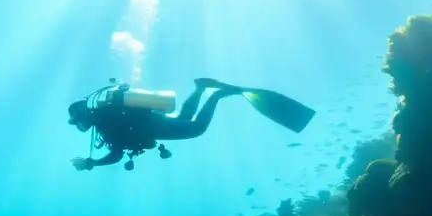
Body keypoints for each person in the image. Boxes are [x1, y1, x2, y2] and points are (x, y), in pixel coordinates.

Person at [68, 78, 315, 171]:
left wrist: (92, 164)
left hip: (153, 127)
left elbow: (117, 154)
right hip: (155, 122)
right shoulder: (106, 116)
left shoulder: (106, 121)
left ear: (84, 114)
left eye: (78, 120)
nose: (79, 125)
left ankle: (216, 95)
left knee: (196, 128)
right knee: (184, 120)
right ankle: (200, 88)